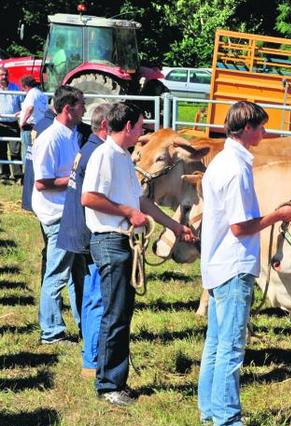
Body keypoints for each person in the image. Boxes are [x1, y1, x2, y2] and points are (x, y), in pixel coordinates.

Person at [81, 102, 195, 406]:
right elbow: (89, 197)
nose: (143, 132)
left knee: (121, 312)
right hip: (110, 240)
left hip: (122, 242)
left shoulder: (123, 158)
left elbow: (142, 202)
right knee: (115, 314)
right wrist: (127, 212)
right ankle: (108, 385)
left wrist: (173, 225)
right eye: (141, 126)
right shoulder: (105, 156)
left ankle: (115, 378)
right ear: (128, 126)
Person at [198, 101, 291, 426]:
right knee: (230, 345)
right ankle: (227, 422)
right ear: (247, 130)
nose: (265, 133)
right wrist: (279, 215)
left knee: (215, 341)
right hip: (233, 263)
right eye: (261, 127)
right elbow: (241, 227)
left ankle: (210, 409)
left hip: (217, 262)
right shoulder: (236, 168)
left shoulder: (220, 162)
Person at [57, 103, 111, 378]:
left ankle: (91, 355)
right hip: (88, 232)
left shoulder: (87, 148)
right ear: (104, 126)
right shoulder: (98, 152)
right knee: (95, 296)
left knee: (91, 294)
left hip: (78, 229)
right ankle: (91, 358)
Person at [31, 86, 86, 345]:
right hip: (56, 215)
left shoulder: (71, 134)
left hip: (69, 212)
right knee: (57, 274)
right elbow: (42, 182)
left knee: (77, 273)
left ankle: (85, 323)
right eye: (81, 105)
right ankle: (51, 331)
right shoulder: (50, 139)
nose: (84, 110)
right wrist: (75, 180)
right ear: (68, 109)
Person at [19, 76, 49, 178]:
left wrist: (22, 121)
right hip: (39, 126)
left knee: (27, 152)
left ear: (26, 86)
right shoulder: (41, 94)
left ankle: (28, 175)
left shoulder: (31, 94)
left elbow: (30, 108)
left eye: (23, 88)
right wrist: (21, 112)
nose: (23, 90)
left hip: (29, 126)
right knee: (37, 152)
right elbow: (39, 110)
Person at [0, 66, 22, 180]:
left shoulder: (15, 87)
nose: (4, 77)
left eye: (5, 74)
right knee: (1, 150)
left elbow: (21, 102)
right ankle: (4, 175)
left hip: (13, 124)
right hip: (1, 124)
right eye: (1, 75)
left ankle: (18, 175)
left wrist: (21, 111)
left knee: (15, 151)